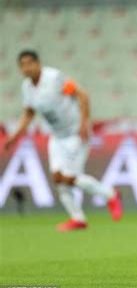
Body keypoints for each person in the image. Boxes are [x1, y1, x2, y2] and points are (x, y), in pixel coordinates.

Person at [5, 50, 123, 231]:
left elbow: (81, 94)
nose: (27, 68)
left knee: (68, 177)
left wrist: (84, 123)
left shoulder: (54, 78)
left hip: (76, 133)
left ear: (38, 63)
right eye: (23, 65)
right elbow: (29, 114)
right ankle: (78, 219)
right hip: (57, 136)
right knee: (58, 178)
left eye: (30, 63)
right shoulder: (27, 87)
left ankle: (110, 195)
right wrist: (14, 137)